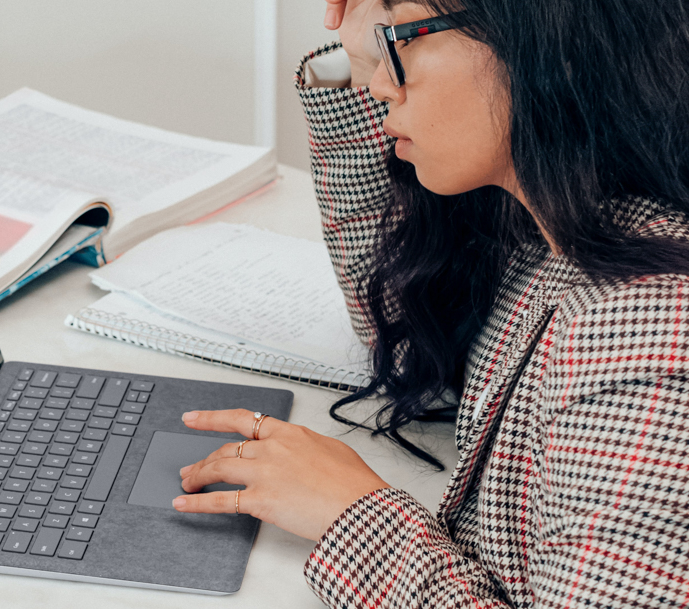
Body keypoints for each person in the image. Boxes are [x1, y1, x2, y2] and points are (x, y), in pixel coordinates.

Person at [173, 0, 689, 606]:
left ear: (549, 42)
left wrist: (354, 516)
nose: (377, 86)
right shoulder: (568, 226)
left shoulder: (648, 328)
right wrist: (367, 42)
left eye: (400, 41)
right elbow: (403, 330)